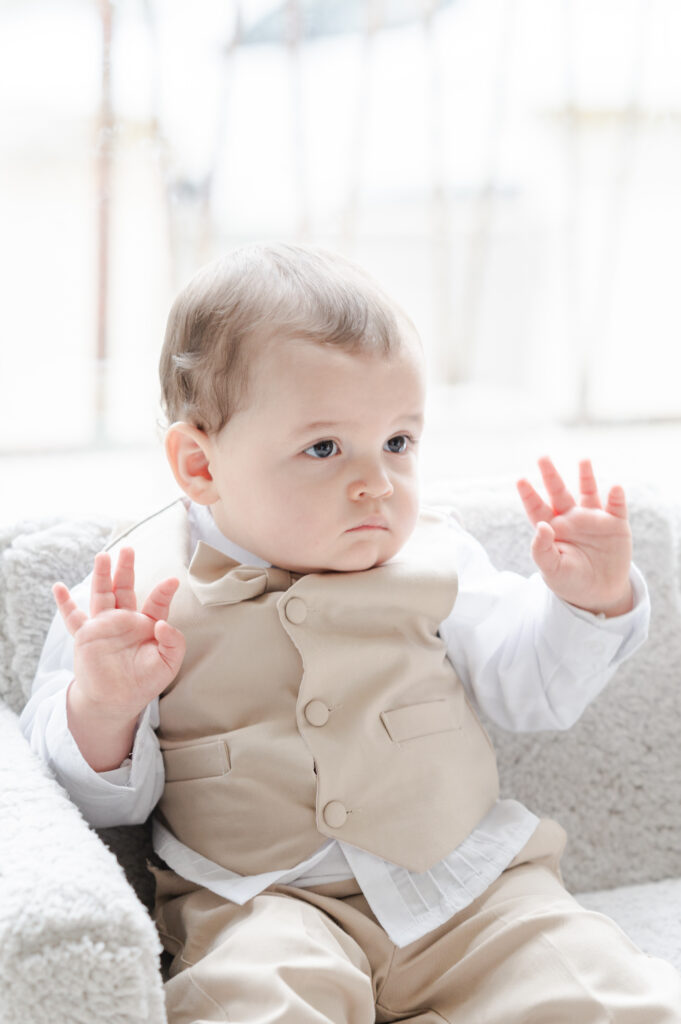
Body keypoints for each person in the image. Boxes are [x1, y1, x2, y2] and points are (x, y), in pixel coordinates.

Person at [21, 244, 681, 1022]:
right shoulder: (134, 590)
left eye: (398, 442)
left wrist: (584, 604)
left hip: (469, 892)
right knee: (255, 1000)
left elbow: (530, 687)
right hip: (258, 904)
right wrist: (105, 706)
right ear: (199, 465)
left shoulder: (437, 555)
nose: (376, 481)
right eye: (324, 448)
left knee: (595, 988)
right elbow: (73, 801)